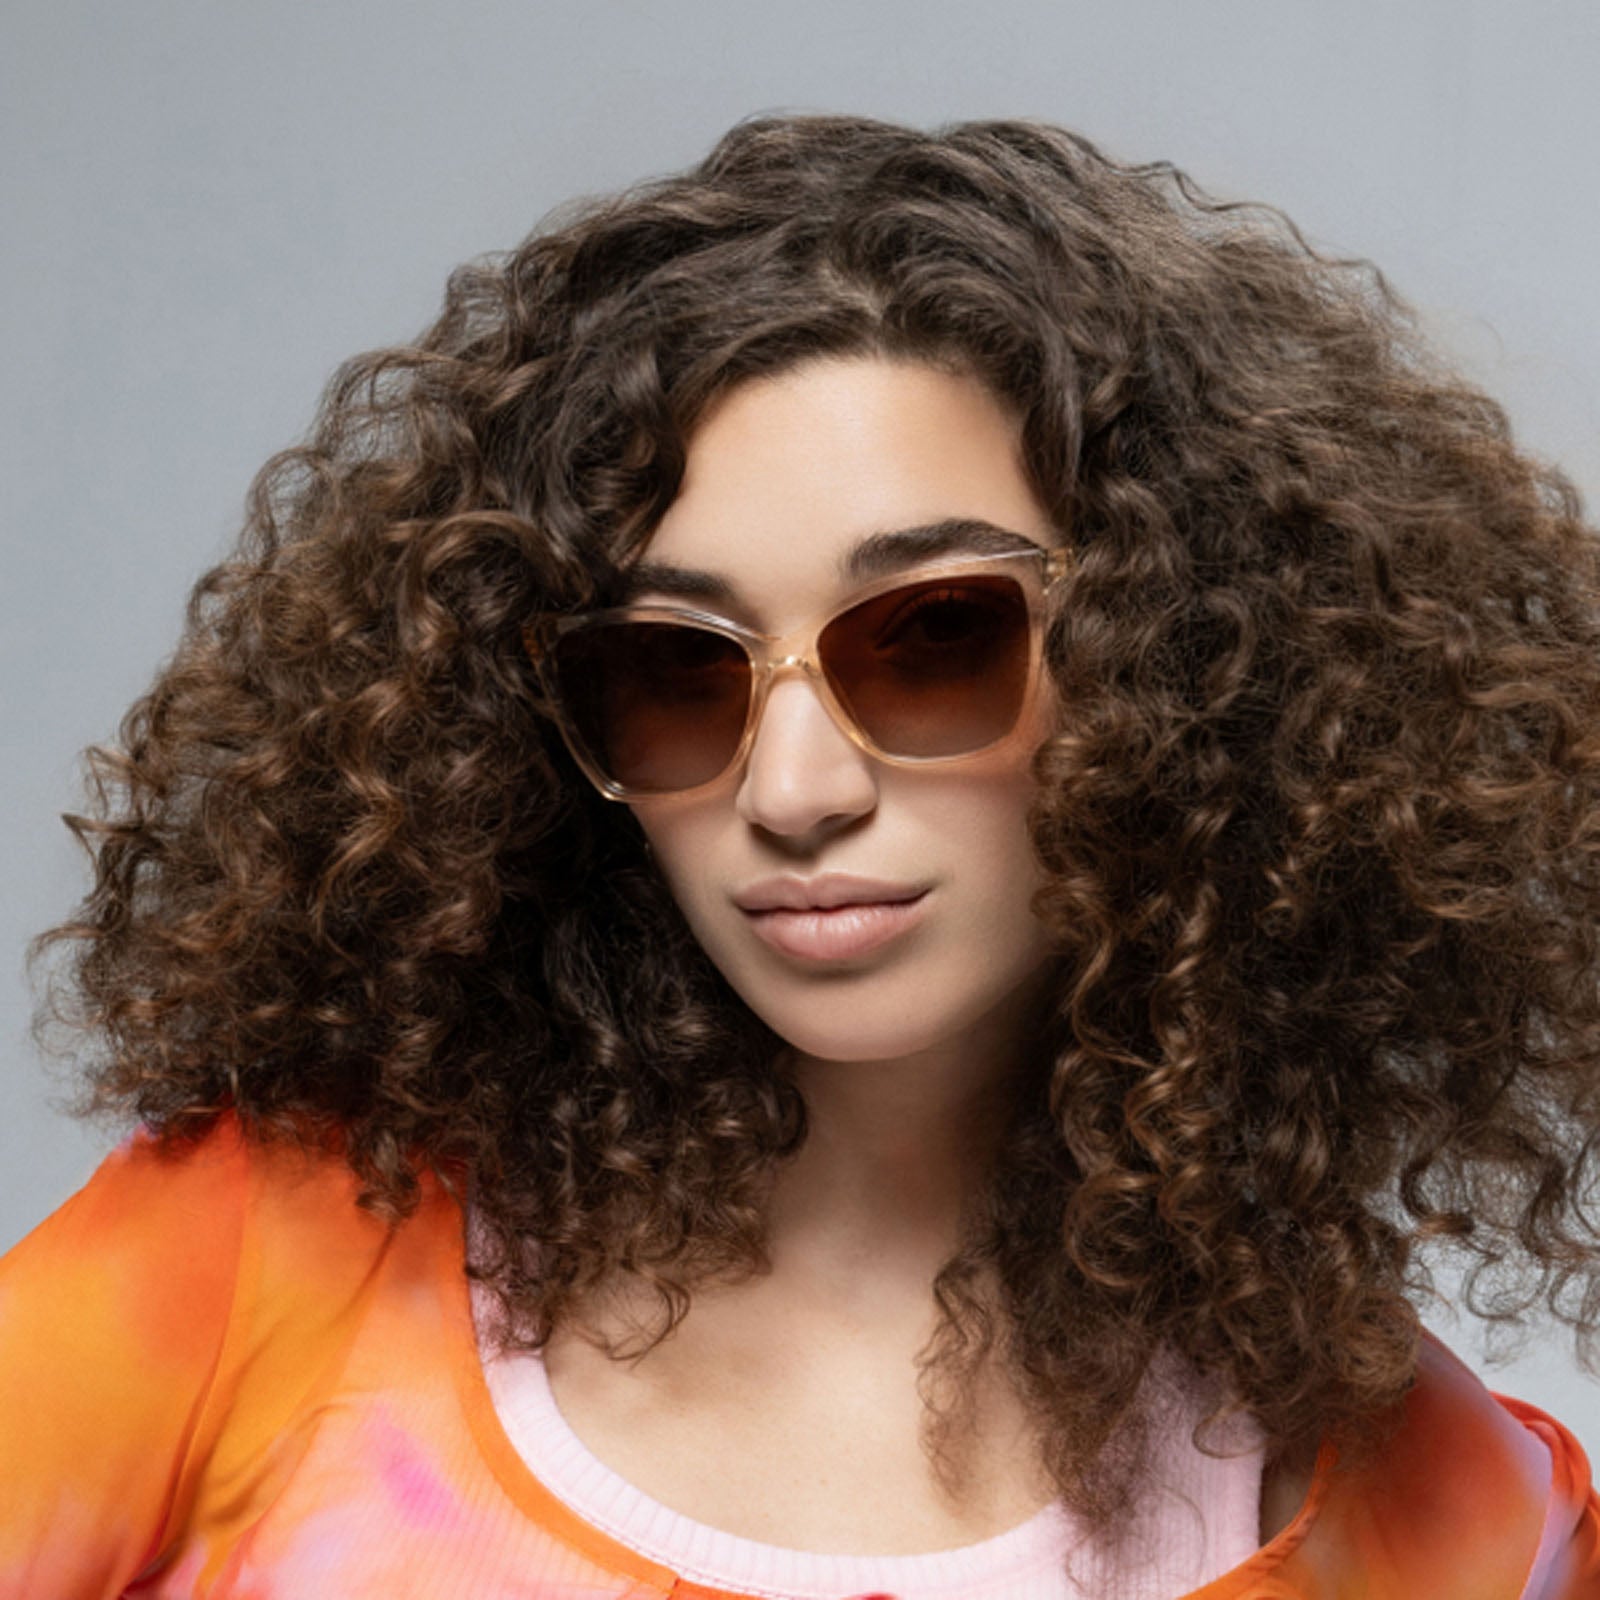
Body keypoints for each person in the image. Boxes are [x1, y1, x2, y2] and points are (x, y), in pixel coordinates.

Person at [3, 110, 1598, 1599]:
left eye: (934, 638)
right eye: (674, 671)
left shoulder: (1429, 1521)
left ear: (1181, 668)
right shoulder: (254, 1272)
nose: (793, 788)